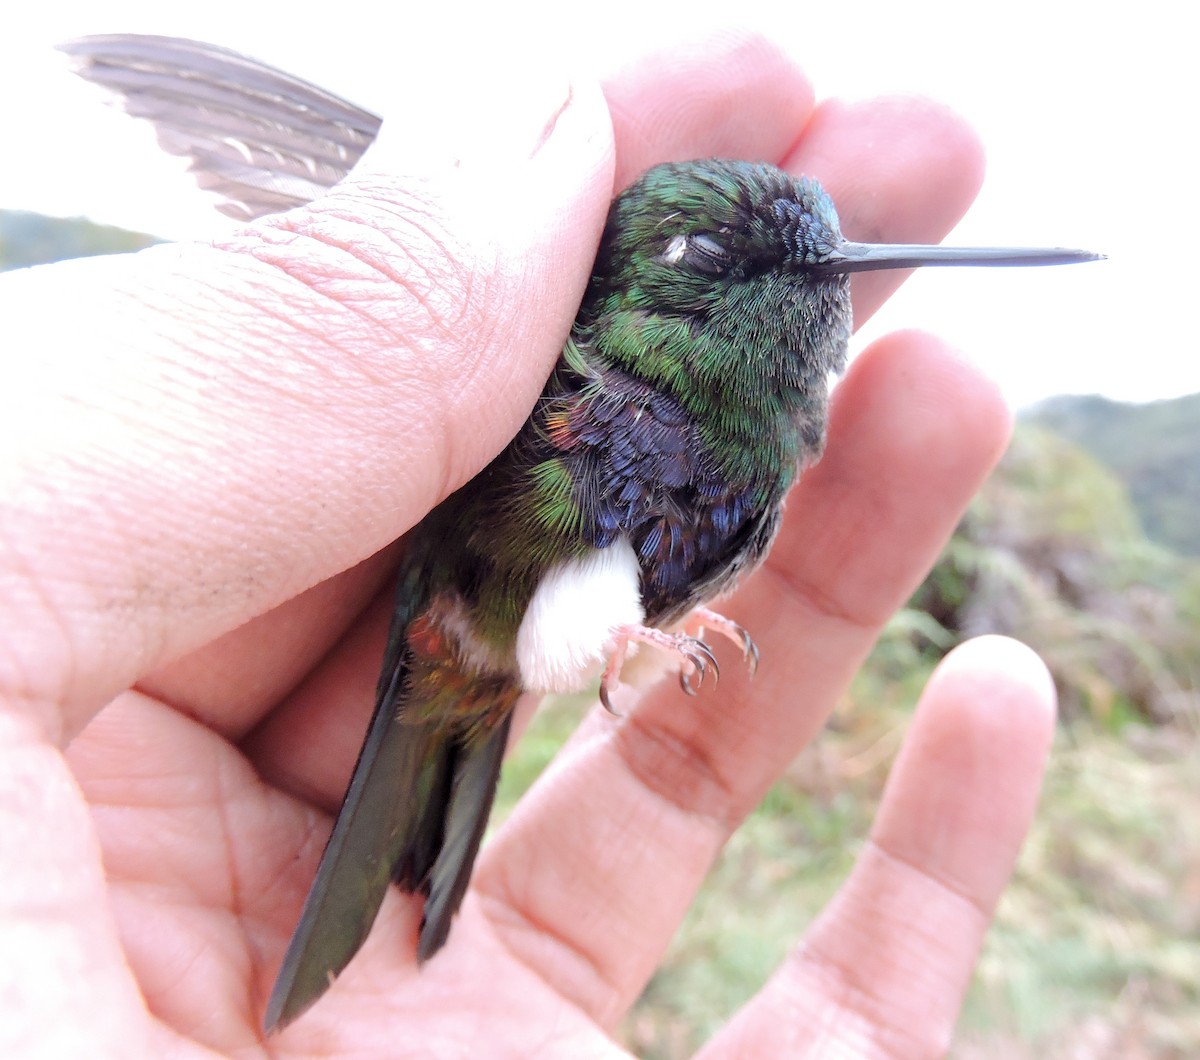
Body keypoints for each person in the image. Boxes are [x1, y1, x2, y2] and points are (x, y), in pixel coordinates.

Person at [0, 29, 1055, 1056]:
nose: (812, 283)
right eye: (719, 259)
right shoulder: (584, 324)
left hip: (549, 633)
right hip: (474, 600)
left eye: (818, 268)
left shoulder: (779, 421)